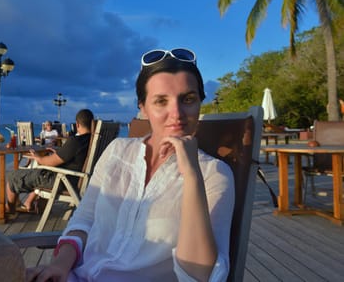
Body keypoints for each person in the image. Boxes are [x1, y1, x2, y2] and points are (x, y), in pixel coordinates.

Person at [26, 48, 235, 282]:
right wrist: (59, 265)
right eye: (161, 101)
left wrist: (191, 175)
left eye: (188, 99)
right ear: (143, 107)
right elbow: (84, 219)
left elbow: (200, 276)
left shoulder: (213, 175)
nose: (176, 113)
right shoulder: (117, 151)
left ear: (199, 104)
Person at [0, 109, 94, 215]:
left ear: (77, 124)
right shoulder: (91, 141)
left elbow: (49, 162)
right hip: (76, 180)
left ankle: (9, 208)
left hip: (62, 181)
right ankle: (29, 203)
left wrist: (37, 157)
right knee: (35, 171)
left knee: (13, 176)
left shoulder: (75, 141)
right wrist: (60, 152)